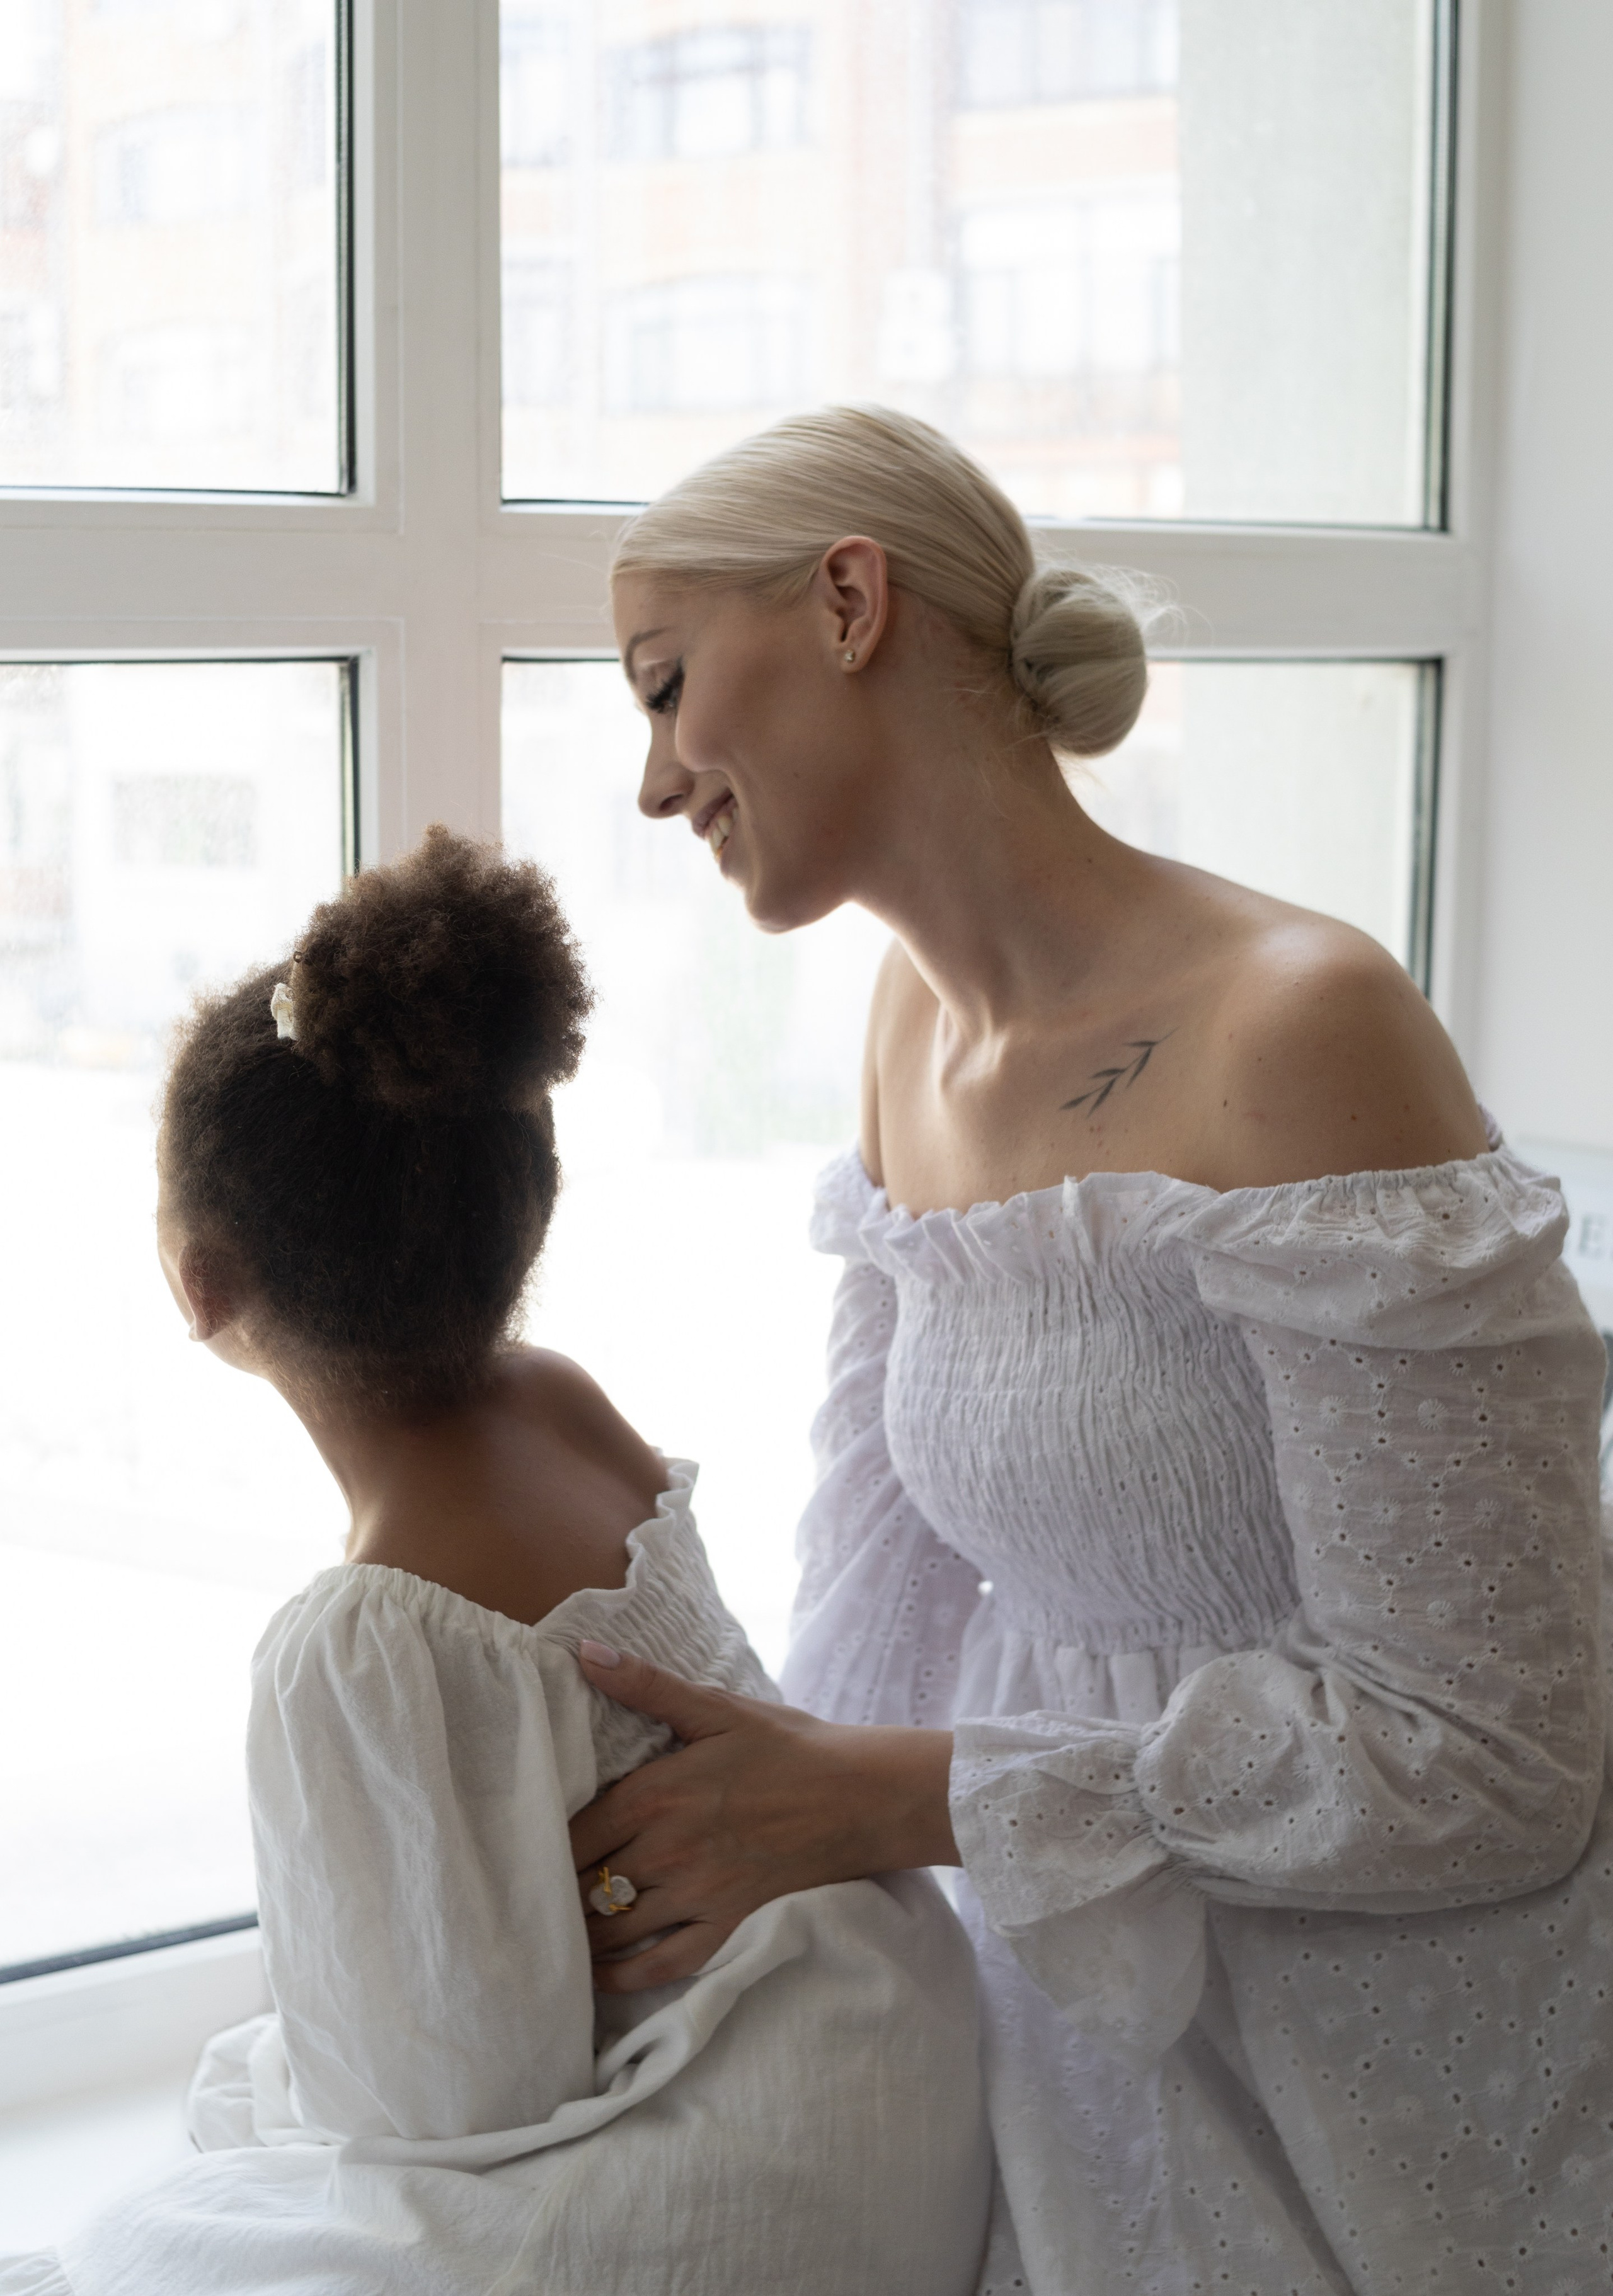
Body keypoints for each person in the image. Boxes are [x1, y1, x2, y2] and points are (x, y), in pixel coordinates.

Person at [571, 404, 1613, 2293]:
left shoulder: (1297, 1024)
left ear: (849, 601)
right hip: (1063, 2046)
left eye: (664, 685)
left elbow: (1493, 1754)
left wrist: (905, 1794)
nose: (653, 782)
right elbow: (873, 1603)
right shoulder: (905, 1032)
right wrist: (712, 1900)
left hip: (1402, 2090)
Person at [0, 827, 990, 2296]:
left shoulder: (362, 1636)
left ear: (197, 1283)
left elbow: (440, 2099)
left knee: (137, 2245)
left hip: (765, 2177)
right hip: (901, 2050)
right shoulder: (566, 1399)